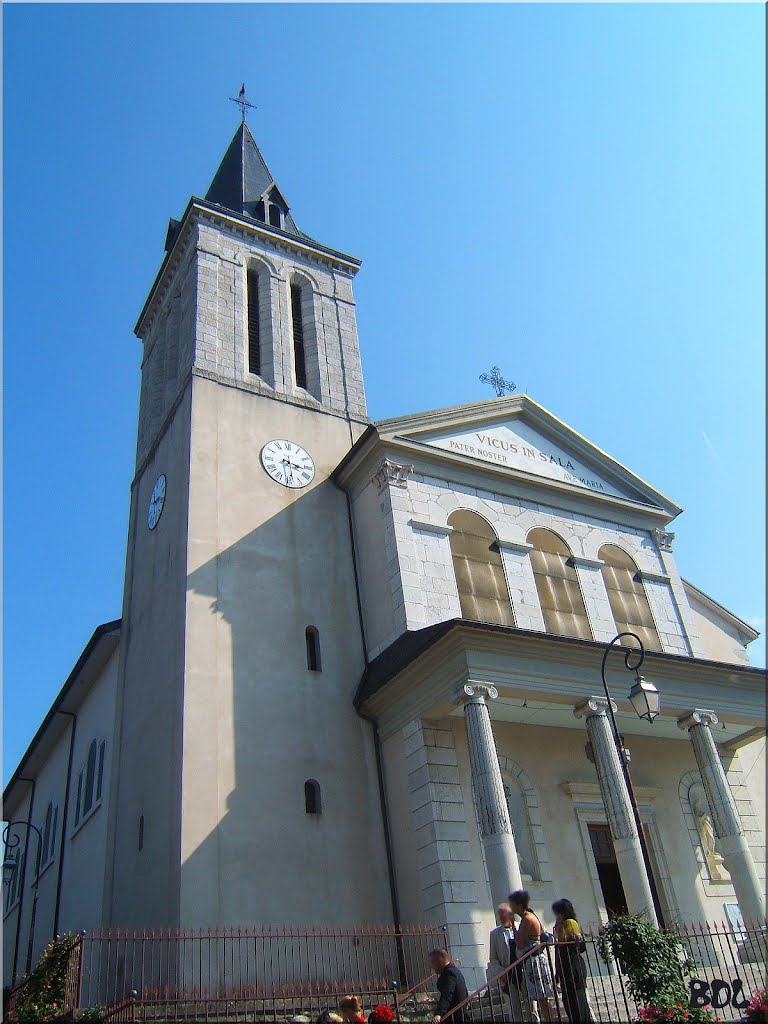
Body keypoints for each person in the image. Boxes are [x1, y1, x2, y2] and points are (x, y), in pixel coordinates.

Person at [488, 903, 539, 1022]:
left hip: (525, 971)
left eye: (503, 914)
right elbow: (493, 958)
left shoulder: (522, 926)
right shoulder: (494, 934)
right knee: (514, 1010)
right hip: (509, 975)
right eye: (499, 915)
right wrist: (502, 973)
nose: (501, 917)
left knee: (532, 1007)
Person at [509, 890, 554, 1024]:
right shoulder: (529, 916)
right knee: (541, 998)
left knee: (542, 998)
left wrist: (513, 927)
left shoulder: (527, 919)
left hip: (535, 962)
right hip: (533, 961)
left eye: (512, 904)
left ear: (518, 904)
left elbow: (520, 943)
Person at [551, 899, 593, 1023]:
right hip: (567, 968)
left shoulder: (569, 923)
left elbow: (576, 946)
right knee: (570, 1001)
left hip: (572, 967)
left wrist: (559, 932)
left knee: (576, 1002)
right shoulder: (563, 925)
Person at [429, 947, 468, 1023]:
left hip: (456, 1017)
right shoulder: (453, 971)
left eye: (432, 962)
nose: (431, 966)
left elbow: (447, 994)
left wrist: (439, 1014)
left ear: (440, 960)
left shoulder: (450, 973)